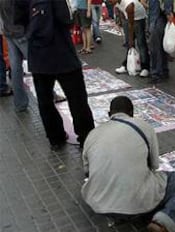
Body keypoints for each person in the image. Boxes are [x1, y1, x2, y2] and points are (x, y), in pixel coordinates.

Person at [81, 96, 175, 232]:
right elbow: (154, 165)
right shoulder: (143, 126)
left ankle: (118, 212)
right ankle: (164, 223)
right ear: (131, 112)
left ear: (109, 113)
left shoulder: (93, 134)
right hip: (135, 204)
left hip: (98, 204)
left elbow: (87, 172)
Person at [23, 0, 95, 150]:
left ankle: (55, 138)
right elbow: (66, 18)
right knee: (77, 99)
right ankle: (86, 137)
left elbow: (17, 18)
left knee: (45, 100)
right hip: (63, 53)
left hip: (38, 55)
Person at [0, 0, 30, 112]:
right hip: (20, 32)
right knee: (37, 66)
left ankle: (20, 103)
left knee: (16, 68)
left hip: (9, 31)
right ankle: (50, 95)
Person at [110, 0, 150, 77]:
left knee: (141, 43)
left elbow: (131, 24)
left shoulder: (129, 5)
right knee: (129, 44)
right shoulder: (117, 3)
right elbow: (122, 13)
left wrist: (131, 39)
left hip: (139, 18)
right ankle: (126, 64)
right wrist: (122, 22)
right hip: (129, 18)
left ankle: (145, 67)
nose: (109, 1)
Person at [147, 0, 175, 83]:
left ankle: (156, 73)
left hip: (157, 20)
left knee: (155, 49)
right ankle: (163, 71)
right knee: (162, 47)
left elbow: (166, 4)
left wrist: (168, 13)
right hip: (158, 19)